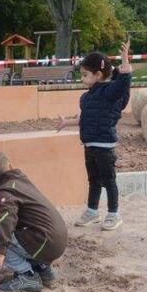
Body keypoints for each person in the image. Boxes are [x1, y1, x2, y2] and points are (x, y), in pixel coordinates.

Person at [57, 42, 132, 231]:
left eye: (85, 75)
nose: (82, 78)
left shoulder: (110, 93)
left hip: (104, 146)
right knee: (93, 180)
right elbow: (84, 119)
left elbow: (123, 83)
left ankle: (114, 214)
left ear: (98, 75)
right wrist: (67, 123)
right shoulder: (86, 97)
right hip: (89, 145)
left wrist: (124, 60)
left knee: (109, 180)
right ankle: (92, 211)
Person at [0, 151, 67, 292]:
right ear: (10, 165)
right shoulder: (21, 180)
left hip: (45, 242)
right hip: (56, 239)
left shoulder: (5, 192)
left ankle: (27, 275)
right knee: (19, 230)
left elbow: (7, 218)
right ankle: (42, 268)